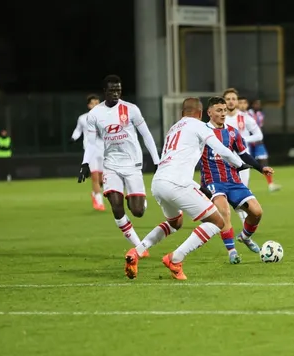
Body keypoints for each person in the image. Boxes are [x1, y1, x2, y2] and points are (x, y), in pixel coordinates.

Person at [125, 97, 250, 281]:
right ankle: (175, 259)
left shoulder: (173, 128)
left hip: (159, 182)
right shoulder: (199, 125)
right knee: (218, 222)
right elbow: (221, 149)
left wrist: (198, 187)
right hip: (177, 184)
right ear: (200, 113)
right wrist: (240, 164)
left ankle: (136, 251)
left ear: (182, 113)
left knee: (175, 223)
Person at [78, 75, 160, 254]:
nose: (116, 93)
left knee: (137, 211)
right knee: (116, 205)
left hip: (132, 163)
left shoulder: (131, 109)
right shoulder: (95, 114)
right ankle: (139, 246)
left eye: (118, 90)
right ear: (104, 91)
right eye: (112, 90)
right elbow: (91, 142)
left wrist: (156, 160)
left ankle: (139, 203)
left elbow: (146, 135)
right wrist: (85, 164)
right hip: (111, 164)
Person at [201, 96, 274, 264]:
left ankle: (245, 237)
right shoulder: (201, 131)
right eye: (219, 110)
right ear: (209, 112)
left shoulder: (232, 132)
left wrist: (260, 168)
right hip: (213, 181)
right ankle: (232, 251)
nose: (223, 114)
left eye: (224, 110)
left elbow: (244, 155)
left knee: (257, 212)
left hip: (233, 180)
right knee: (224, 211)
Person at [223, 88, 263, 222]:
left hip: (243, 160)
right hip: (223, 161)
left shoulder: (244, 118)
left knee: (241, 192)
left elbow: (259, 135)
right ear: (224, 101)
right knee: (224, 194)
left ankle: (245, 224)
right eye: (228, 99)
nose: (230, 102)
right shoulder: (219, 118)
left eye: (233, 99)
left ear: (237, 101)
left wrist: (244, 140)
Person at [71, 94, 103, 210]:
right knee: (94, 176)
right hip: (91, 150)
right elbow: (78, 130)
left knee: (102, 178)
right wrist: (73, 138)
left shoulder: (106, 116)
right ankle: (99, 202)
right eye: (93, 103)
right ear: (89, 105)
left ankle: (95, 193)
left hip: (104, 150)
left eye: (97, 102)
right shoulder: (83, 118)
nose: (95, 105)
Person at [247, 98, 281, 192]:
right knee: (245, 165)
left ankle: (271, 184)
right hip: (248, 143)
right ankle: (245, 185)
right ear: (252, 104)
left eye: (259, 104)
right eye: (256, 104)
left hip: (258, 143)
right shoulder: (247, 115)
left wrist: (259, 138)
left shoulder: (260, 115)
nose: (258, 105)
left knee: (264, 161)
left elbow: (259, 128)